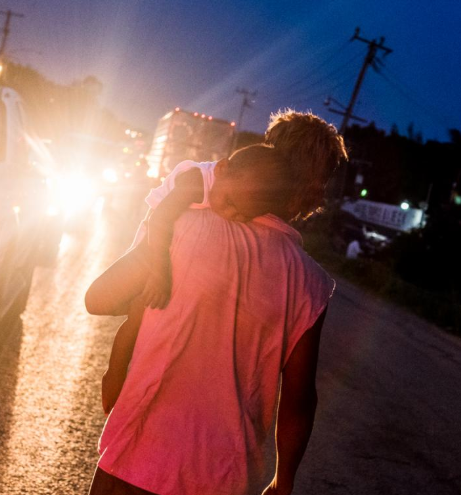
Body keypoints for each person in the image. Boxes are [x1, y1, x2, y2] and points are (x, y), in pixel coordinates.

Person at [86, 110, 347, 495]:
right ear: (314, 192)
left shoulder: (182, 225)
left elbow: (99, 298)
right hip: (225, 478)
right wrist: (284, 480)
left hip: (134, 460)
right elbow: (299, 399)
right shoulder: (310, 284)